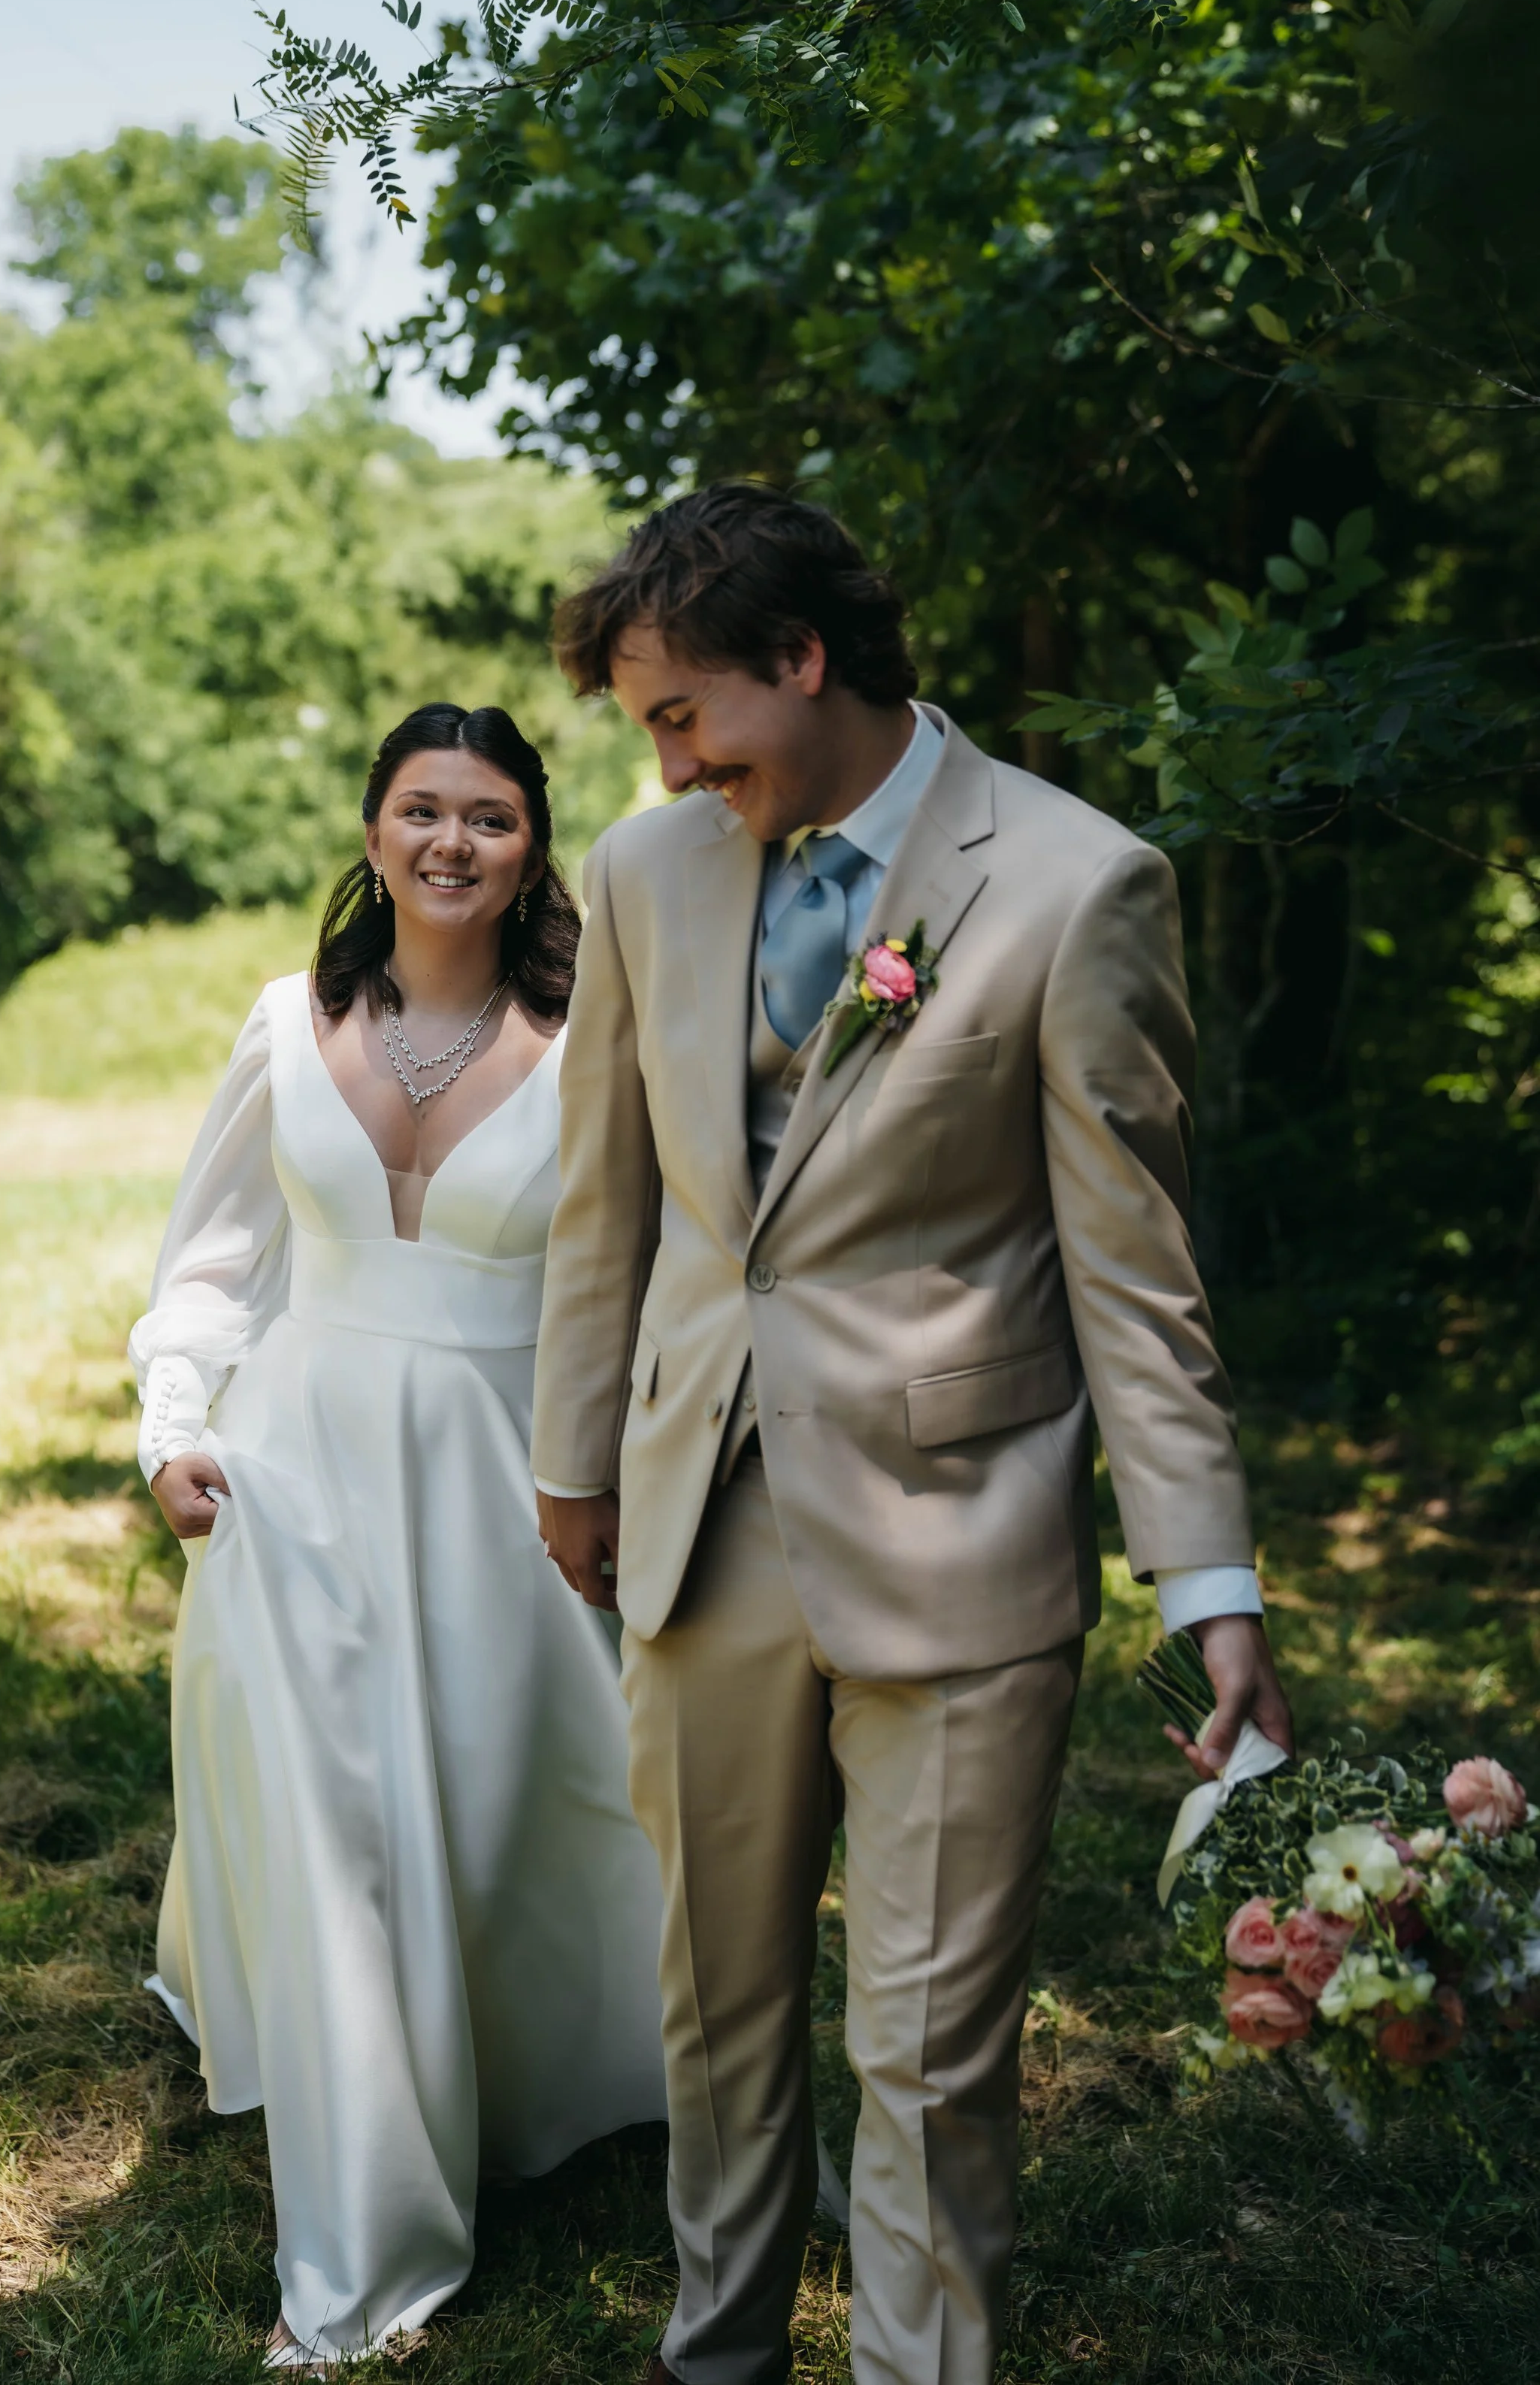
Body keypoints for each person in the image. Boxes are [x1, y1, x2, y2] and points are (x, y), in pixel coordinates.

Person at [531, 486, 1295, 2385]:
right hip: (695, 1519)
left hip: (961, 1532)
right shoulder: (643, 874)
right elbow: (601, 1201)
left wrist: (1204, 1574)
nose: (670, 759)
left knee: (932, 2050)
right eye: (648, 730)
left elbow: (1133, 1270)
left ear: (800, 660)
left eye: (685, 713)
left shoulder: (1071, 881)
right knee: (713, 2008)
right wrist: (572, 1463)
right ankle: (713, 2356)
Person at [130, 701, 666, 2374]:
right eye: (421, 809)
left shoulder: (595, 1037)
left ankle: (524, 2091)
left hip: (513, 1483)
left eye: (490, 816)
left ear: (531, 848)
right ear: (372, 831)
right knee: (338, 1842)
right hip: (295, 1485)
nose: (451, 841)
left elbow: (644, 1281)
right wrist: (174, 1427)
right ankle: (355, 2256)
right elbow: (210, 1263)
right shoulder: (286, 1022)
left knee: (493, 1824)